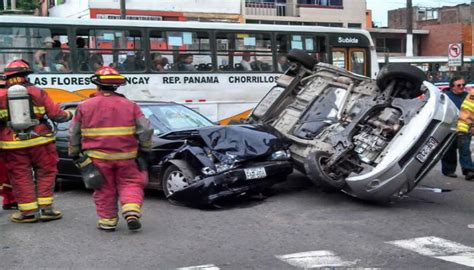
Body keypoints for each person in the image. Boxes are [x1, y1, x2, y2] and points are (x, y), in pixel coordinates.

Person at [68, 66, 153, 232]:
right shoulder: (130, 105)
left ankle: (108, 222)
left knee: (104, 189)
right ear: (116, 86)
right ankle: (131, 211)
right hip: (127, 157)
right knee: (131, 183)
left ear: (97, 85)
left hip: (98, 159)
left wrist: (74, 153)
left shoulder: (84, 106)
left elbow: (73, 133)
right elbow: (145, 129)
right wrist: (146, 149)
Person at [0, 59, 72, 223]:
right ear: (26, 75)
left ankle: (28, 213)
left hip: (12, 143)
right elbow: (57, 116)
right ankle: (46, 209)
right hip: (40, 140)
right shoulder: (38, 92)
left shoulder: (1, 95)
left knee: (20, 176)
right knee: (46, 172)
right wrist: (70, 114)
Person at [441, 76, 474, 180]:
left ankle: (468, 171)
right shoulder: (445, 97)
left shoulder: (468, 96)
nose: (461, 87)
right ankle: (449, 170)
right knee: (449, 150)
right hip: (449, 127)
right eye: (458, 85)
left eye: (463, 85)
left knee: (465, 150)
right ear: (452, 87)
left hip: (464, 127)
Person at [0, 79, 16, 210]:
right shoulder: (8, 95)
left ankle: (9, 200)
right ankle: (9, 199)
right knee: (8, 172)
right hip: (8, 140)